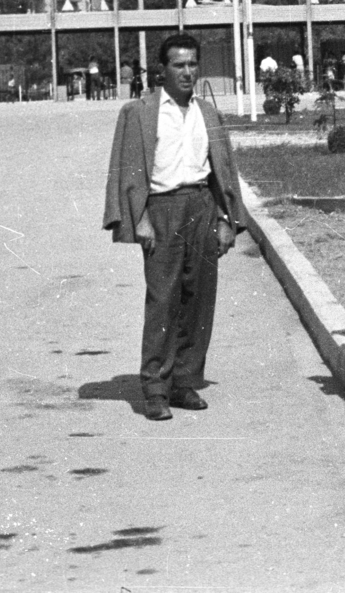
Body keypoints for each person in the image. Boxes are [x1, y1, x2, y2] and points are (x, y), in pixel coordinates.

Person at [103, 33, 244, 422]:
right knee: (163, 299)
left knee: (198, 299)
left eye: (192, 64)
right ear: (162, 70)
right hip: (162, 210)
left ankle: (183, 381)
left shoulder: (207, 114)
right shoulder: (140, 112)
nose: (187, 72)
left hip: (200, 206)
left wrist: (225, 219)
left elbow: (222, 172)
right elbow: (128, 169)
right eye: (178, 65)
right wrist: (141, 218)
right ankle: (154, 388)